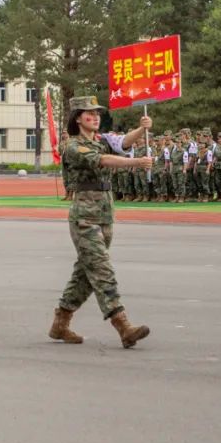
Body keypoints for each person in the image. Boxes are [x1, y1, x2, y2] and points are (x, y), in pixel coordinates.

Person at [48, 96, 152, 349]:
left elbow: (122, 143)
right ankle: (123, 326)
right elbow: (103, 160)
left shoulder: (102, 140)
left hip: (104, 214)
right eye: (88, 113)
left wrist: (142, 128)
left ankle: (60, 323)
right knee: (102, 271)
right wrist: (136, 163)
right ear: (77, 118)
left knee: (85, 274)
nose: (94, 117)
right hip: (85, 216)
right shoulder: (73, 146)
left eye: (96, 113)